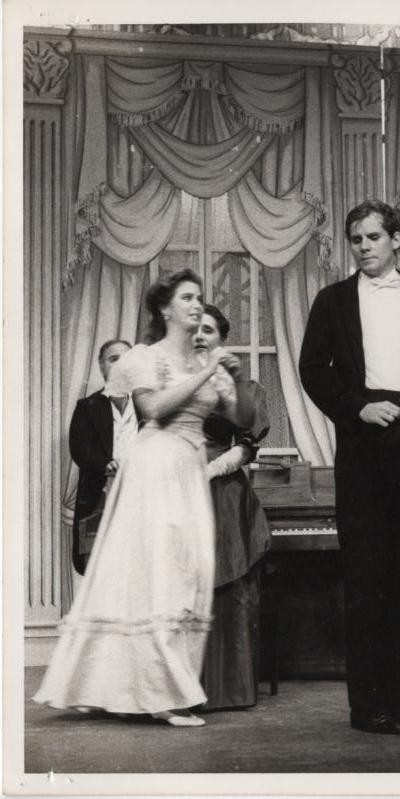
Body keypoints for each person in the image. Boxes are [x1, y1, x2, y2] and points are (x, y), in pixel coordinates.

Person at [34, 268, 249, 727]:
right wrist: (208, 371)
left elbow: (242, 419)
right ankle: (161, 695)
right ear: (165, 309)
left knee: (189, 574)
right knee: (157, 574)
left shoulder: (203, 359)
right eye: (187, 297)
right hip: (156, 465)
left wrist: (234, 376)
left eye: (199, 297)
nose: (197, 304)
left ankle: (138, 685)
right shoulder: (147, 357)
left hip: (189, 469)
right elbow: (152, 408)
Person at [299, 199, 400, 735]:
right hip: (364, 441)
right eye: (356, 239)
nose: (364, 247)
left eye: (373, 237)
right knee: (366, 579)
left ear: (396, 240)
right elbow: (312, 370)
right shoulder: (332, 300)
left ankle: (395, 701)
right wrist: (358, 408)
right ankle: (366, 706)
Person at [195, 304, 272, 711]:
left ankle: (228, 689)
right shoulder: (172, 382)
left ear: (223, 339)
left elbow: (247, 445)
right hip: (176, 487)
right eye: (195, 328)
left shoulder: (246, 389)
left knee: (227, 586)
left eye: (209, 330)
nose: (200, 336)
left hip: (222, 491)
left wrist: (210, 470)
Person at [68, 339, 137, 574]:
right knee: (99, 568)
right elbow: (79, 449)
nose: (121, 364)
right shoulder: (87, 406)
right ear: (101, 366)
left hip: (141, 496)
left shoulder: (147, 405)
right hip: (101, 496)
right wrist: (107, 465)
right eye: (113, 359)